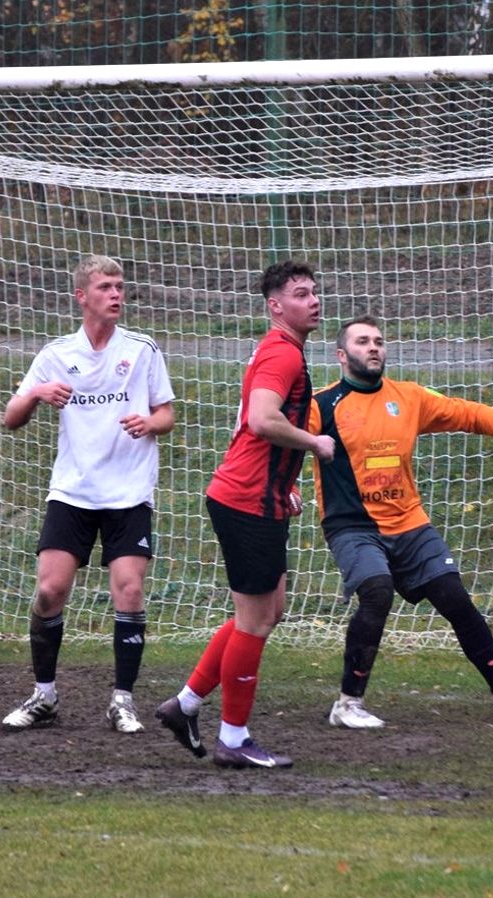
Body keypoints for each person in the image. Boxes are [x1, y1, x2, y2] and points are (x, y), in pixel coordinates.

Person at [306, 315, 493, 730]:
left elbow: (468, 413)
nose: (374, 347)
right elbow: (284, 442)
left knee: (455, 598)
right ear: (341, 355)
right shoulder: (321, 404)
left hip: (409, 522)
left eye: (379, 340)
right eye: (362, 341)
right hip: (353, 526)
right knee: (377, 591)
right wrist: (282, 487)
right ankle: (348, 704)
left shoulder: (409, 397)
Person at [157, 260, 334, 769]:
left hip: (259, 497)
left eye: (314, 292)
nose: (313, 301)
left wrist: (285, 483)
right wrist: (315, 444)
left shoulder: (282, 349)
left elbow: (260, 428)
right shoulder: (282, 352)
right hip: (245, 500)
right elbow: (261, 420)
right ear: (275, 306)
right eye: (301, 294)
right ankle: (233, 739)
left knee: (267, 612)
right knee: (254, 621)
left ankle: (185, 704)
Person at [0, 256, 174, 735]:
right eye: (105, 287)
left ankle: (122, 702)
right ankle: (44, 696)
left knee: (130, 590)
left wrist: (148, 423)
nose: (116, 294)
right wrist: (37, 393)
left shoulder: (141, 349)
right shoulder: (57, 354)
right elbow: (10, 418)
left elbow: (166, 414)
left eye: (119, 286)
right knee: (49, 590)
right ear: (82, 296)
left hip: (128, 492)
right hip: (73, 492)